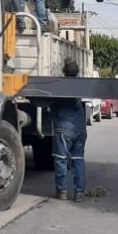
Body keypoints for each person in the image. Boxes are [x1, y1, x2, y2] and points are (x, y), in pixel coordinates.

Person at [52, 58, 87, 202]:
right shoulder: (79, 85)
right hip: (79, 129)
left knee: (61, 160)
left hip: (63, 129)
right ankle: (79, 192)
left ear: (64, 72)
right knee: (78, 160)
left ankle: (62, 192)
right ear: (77, 72)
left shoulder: (61, 85)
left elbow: (49, 101)